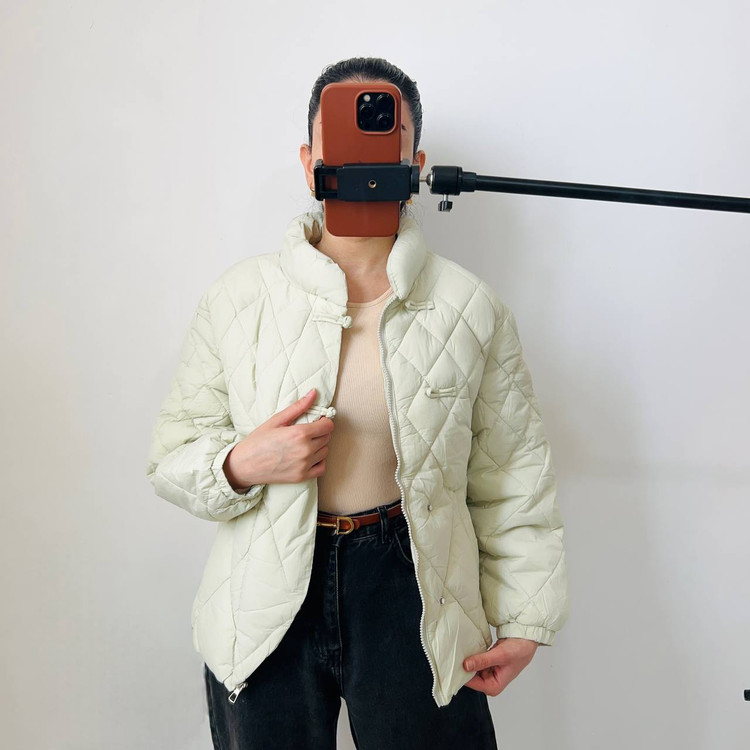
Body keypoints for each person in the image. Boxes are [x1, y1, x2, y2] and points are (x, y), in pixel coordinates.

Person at [146, 56, 569, 750]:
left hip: (415, 581)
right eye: (340, 139)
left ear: (417, 163)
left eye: (384, 141)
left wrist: (525, 616)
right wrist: (241, 463)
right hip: (263, 586)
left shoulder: (469, 307)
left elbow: (512, 473)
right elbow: (172, 454)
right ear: (308, 161)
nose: (363, 159)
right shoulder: (239, 299)